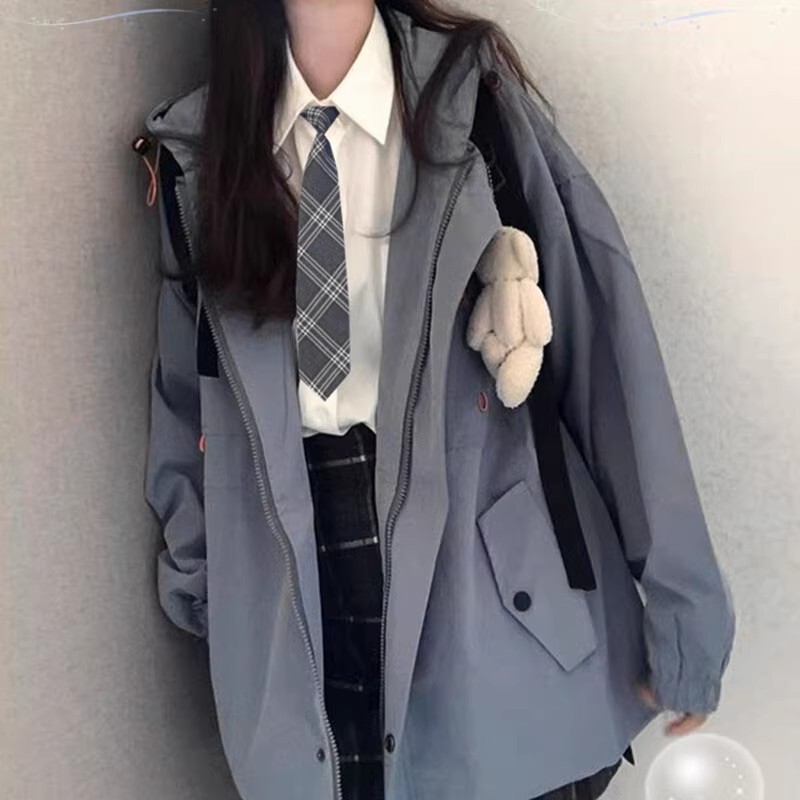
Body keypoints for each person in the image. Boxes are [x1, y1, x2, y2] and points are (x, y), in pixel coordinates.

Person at [141, 2, 736, 799]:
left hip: (488, 589)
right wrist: (215, 598)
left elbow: (607, 353)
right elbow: (189, 402)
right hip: (301, 595)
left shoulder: (469, 102)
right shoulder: (201, 150)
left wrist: (683, 608)